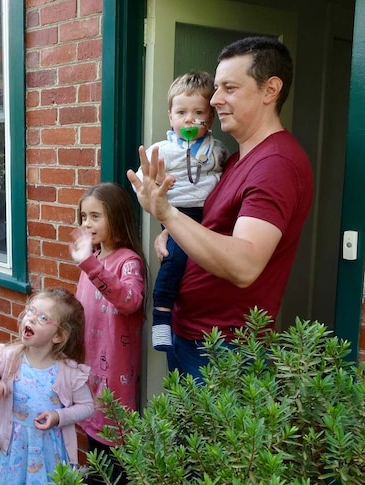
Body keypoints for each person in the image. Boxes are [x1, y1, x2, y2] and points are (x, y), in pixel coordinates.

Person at [127, 36, 314, 379]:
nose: (215, 100)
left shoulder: (276, 164)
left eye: (229, 87)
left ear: (270, 90)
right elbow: (214, 224)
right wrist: (174, 229)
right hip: (196, 335)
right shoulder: (235, 160)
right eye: (216, 88)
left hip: (223, 347)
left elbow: (244, 264)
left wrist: (166, 212)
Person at [131, 70, 228, 370]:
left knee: (197, 264)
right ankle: (161, 316)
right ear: (170, 116)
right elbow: (146, 183)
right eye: (182, 112)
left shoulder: (218, 151)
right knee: (173, 261)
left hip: (207, 214)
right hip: (178, 213)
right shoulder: (163, 150)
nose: (189, 120)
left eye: (198, 113)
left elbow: (224, 177)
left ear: (210, 119)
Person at [0, 288, 93, 485]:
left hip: (52, 456)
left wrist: (59, 416)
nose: (30, 319)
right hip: (16, 453)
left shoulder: (69, 371)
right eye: (30, 311)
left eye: (42, 317)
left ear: (58, 336)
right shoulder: (9, 357)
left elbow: (87, 406)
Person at [69, 182, 145, 485]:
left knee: (113, 451)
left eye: (95, 216)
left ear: (117, 216)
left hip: (115, 376)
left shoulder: (128, 261)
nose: (87, 224)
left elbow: (130, 300)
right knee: (93, 443)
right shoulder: (94, 259)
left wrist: (88, 263)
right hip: (89, 371)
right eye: (84, 217)